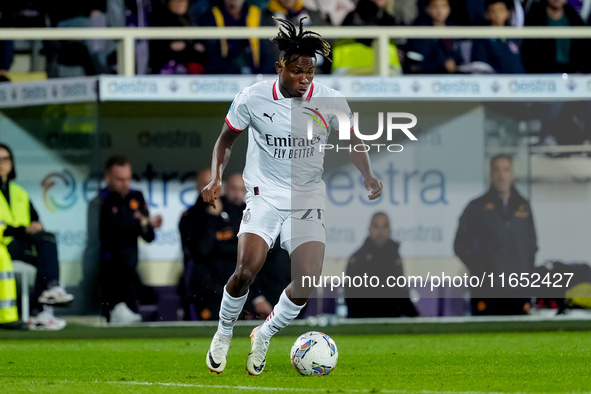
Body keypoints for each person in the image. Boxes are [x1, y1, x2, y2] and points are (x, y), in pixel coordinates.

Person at [202, 17, 383, 375]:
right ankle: (224, 333)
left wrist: (368, 174)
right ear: (279, 67)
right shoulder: (252, 97)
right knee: (245, 270)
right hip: (264, 196)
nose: (305, 79)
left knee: (307, 282)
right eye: (298, 71)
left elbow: (352, 140)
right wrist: (216, 177)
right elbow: (226, 139)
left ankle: (264, 334)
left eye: (311, 73)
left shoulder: (330, 100)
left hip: (307, 199)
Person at [0, 143, 74, 330]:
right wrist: (25, 230)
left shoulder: (19, 192)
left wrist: (35, 226)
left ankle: (43, 306)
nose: (2, 163)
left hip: (20, 242)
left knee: (47, 241)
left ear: (12, 163)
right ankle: (44, 301)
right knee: (45, 251)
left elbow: (34, 219)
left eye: (5, 159)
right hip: (4, 243)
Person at [454, 154, 537, 315]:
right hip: (487, 291)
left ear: (512, 174)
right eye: (497, 170)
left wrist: (527, 275)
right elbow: (460, 245)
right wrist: (481, 272)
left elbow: (532, 245)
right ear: (491, 175)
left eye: (506, 170)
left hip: (519, 290)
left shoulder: (524, 206)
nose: (501, 175)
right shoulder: (476, 207)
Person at [98, 155, 162, 323]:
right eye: (120, 179)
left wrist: (143, 223)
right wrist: (141, 221)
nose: (125, 184)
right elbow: (113, 229)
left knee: (132, 321)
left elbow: (149, 236)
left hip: (130, 271)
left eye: (128, 178)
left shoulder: (136, 196)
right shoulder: (100, 200)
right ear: (108, 177)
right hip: (109, 272)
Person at [345, 212, 418, 318]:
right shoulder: (358, 259)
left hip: (393, 320)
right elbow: (353, 296)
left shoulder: (394, 256)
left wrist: (415, 315)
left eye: (384, 227)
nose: (380, 232)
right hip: (365, 320)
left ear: (389, 230)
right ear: (369, 229)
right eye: (376, 226)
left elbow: (400, 291)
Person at [521, 0, 591, 74]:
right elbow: (530, 54)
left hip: (573, 75)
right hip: (544, 75)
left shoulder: (575, 19)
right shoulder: (534, 18)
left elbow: (585, 51)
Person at [197, 0, 263, 74]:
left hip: (256, 72)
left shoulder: (259, 14)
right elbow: (211, 52)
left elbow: (267, 50)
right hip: (222, 73)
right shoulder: (210, 15)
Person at [405, 0, 464, 74]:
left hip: (455, 79)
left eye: (443, 6)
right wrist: (442, 64)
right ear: (428, 9)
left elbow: (461, 59)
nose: (439, 11)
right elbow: (416, 63)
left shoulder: (456, 30)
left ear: (449, 9)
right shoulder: (420, 32)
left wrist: (455, 65)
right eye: (435, 6)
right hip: (429, 78)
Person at [149, 0, 207, 74]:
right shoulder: (160, 18)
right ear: (169, 3)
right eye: (177, 1)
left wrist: (196, 46)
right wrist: (170, 46)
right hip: (167, 66)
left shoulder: (191, 19)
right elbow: (157, 49)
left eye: (183, 1)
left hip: (191, 64)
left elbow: (198, 47)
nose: (180, 3)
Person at [471, 0, 526, 74]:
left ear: (507, 13)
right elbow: (481, 64)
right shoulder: (482, 38)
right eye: (493, 11)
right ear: (487, 15)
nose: (497, 14)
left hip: (519, 79)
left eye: (501, 10)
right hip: (495, 81)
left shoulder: (514, 35)